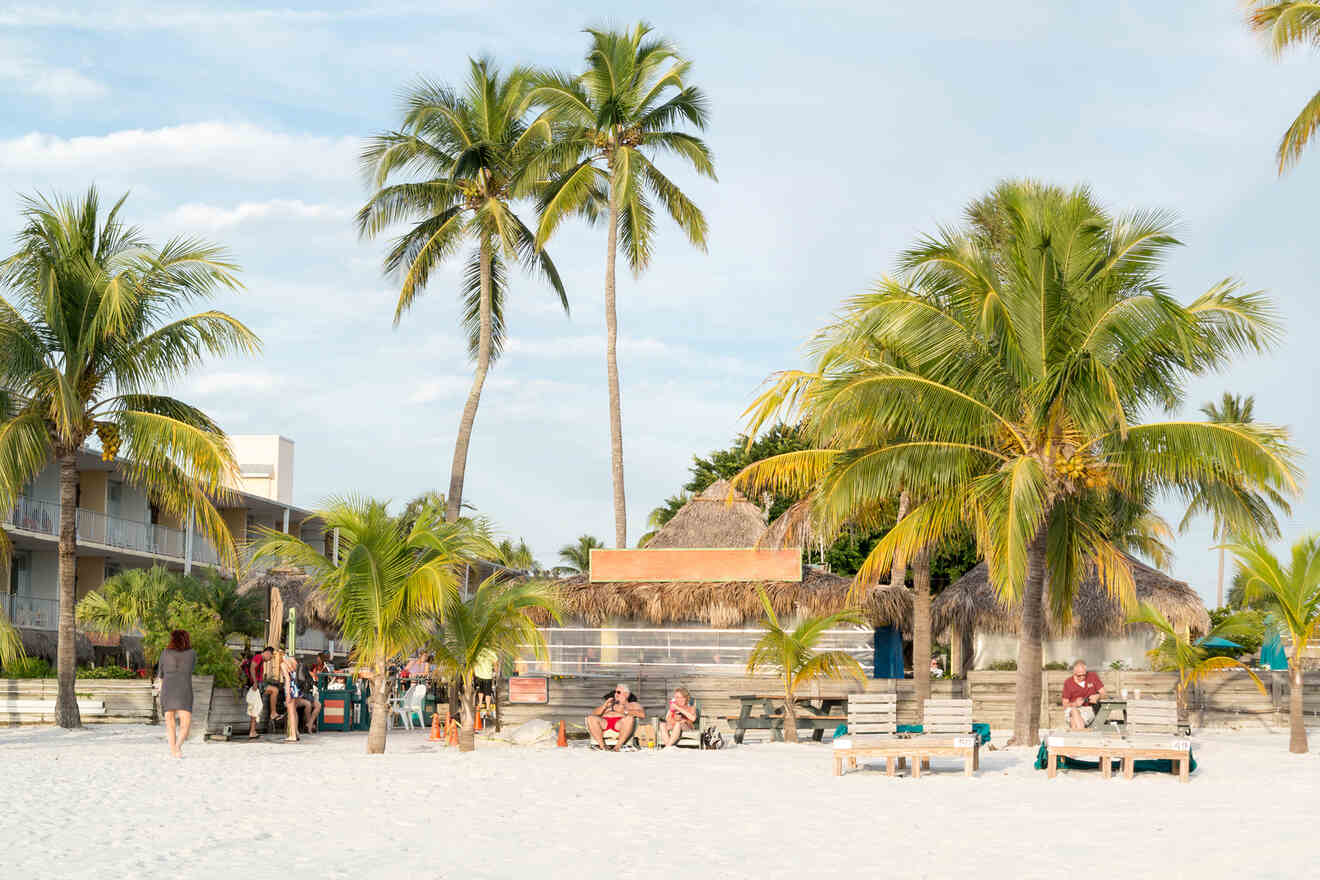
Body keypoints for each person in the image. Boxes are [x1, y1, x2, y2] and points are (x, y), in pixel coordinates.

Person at [158, 629, 196, 758]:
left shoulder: (165, 653)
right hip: (184, 688)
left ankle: (173, 749)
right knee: (186, 723)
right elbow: (191, 670)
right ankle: (177, 747)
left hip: (168, 688)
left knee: (170, 721)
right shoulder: (192, 654)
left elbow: (160, 675)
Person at [586, 683, 644, 751]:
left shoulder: (632, 704)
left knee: (629, 718)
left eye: (618, 692)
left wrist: (624, 711)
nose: (615, 694)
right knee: (590, 718)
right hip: (605, 723)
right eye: (615, 692)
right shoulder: (610, 703)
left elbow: (642, 714)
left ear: (626, 694)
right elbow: (594, 713)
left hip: (619, 724)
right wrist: (604, 706)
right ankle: (602, 746)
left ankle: (617, 746)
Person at [1061, 659, 1105, 730]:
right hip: (1071, 709)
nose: (1082, 677)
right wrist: (1075, 704)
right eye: (1079, 675)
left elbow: (1104, 693)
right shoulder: (1068, 682)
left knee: (1073, 721)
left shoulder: (1092, 676)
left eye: (1084, 675)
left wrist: (1098, 696)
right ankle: (1082, 731)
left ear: (1086, 671)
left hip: (1088, 709)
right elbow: (1064, 704)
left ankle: (1078, 733)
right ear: (1074, 672)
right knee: (1074, 710)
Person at [473, 648, 496, 713]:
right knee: (488, 692)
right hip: (487, 675)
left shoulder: (478, 650)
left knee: (481, 690)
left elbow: (474, 662)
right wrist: (496, 673)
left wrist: (474, 672)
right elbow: (495, 663)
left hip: (479, 674)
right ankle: (488, 707)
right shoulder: (491, 652)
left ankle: (480, 704)